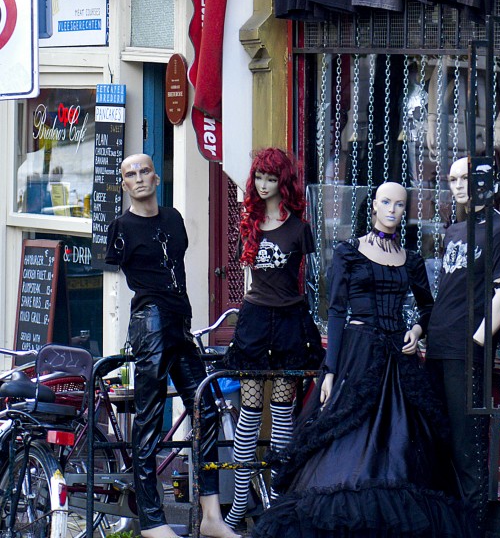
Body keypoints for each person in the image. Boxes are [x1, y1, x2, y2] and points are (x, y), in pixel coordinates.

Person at [251, 181, 465, 538]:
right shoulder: (349, 251)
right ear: (375, 207)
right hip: (358, 352)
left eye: (400, 204)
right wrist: (330, 370)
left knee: (400, 443)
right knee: (346, 438)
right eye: (386, 202)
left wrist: (415, 331)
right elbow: (336, 312)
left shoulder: (409, 259)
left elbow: (428, 308)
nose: (393, 210)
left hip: (398, 358)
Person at [104, 154, 234, 538]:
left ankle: (211, 516)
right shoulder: (120, 228)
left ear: (157, 177)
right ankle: (152, 520)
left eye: (145, 171)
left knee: (206, 408)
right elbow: (117, 280)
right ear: (124, 184)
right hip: (151, 323)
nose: (139, 178)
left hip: (180, 323)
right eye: (131, 174)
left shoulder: (174, 218)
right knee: (148, 420)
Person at [221, 148, 323, 534]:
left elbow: (309, 285)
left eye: (270, 178)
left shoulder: (299, 228)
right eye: (258, 178)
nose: (263, 185)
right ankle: (239, 504)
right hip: (255, 320)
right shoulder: (248, 222)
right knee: (249, 414)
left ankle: (278, 503)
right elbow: (249, 280)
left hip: (290, 321)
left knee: (282, 413)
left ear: (283, 182)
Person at [426, 156, 500, 538]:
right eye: (452, 178)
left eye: (467, 177)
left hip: (467, 348)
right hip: (436, 344)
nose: (460, 185)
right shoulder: (454, 231)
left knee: (469, 447)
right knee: (440, 441)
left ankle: (472, 530)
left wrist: (478, 339)